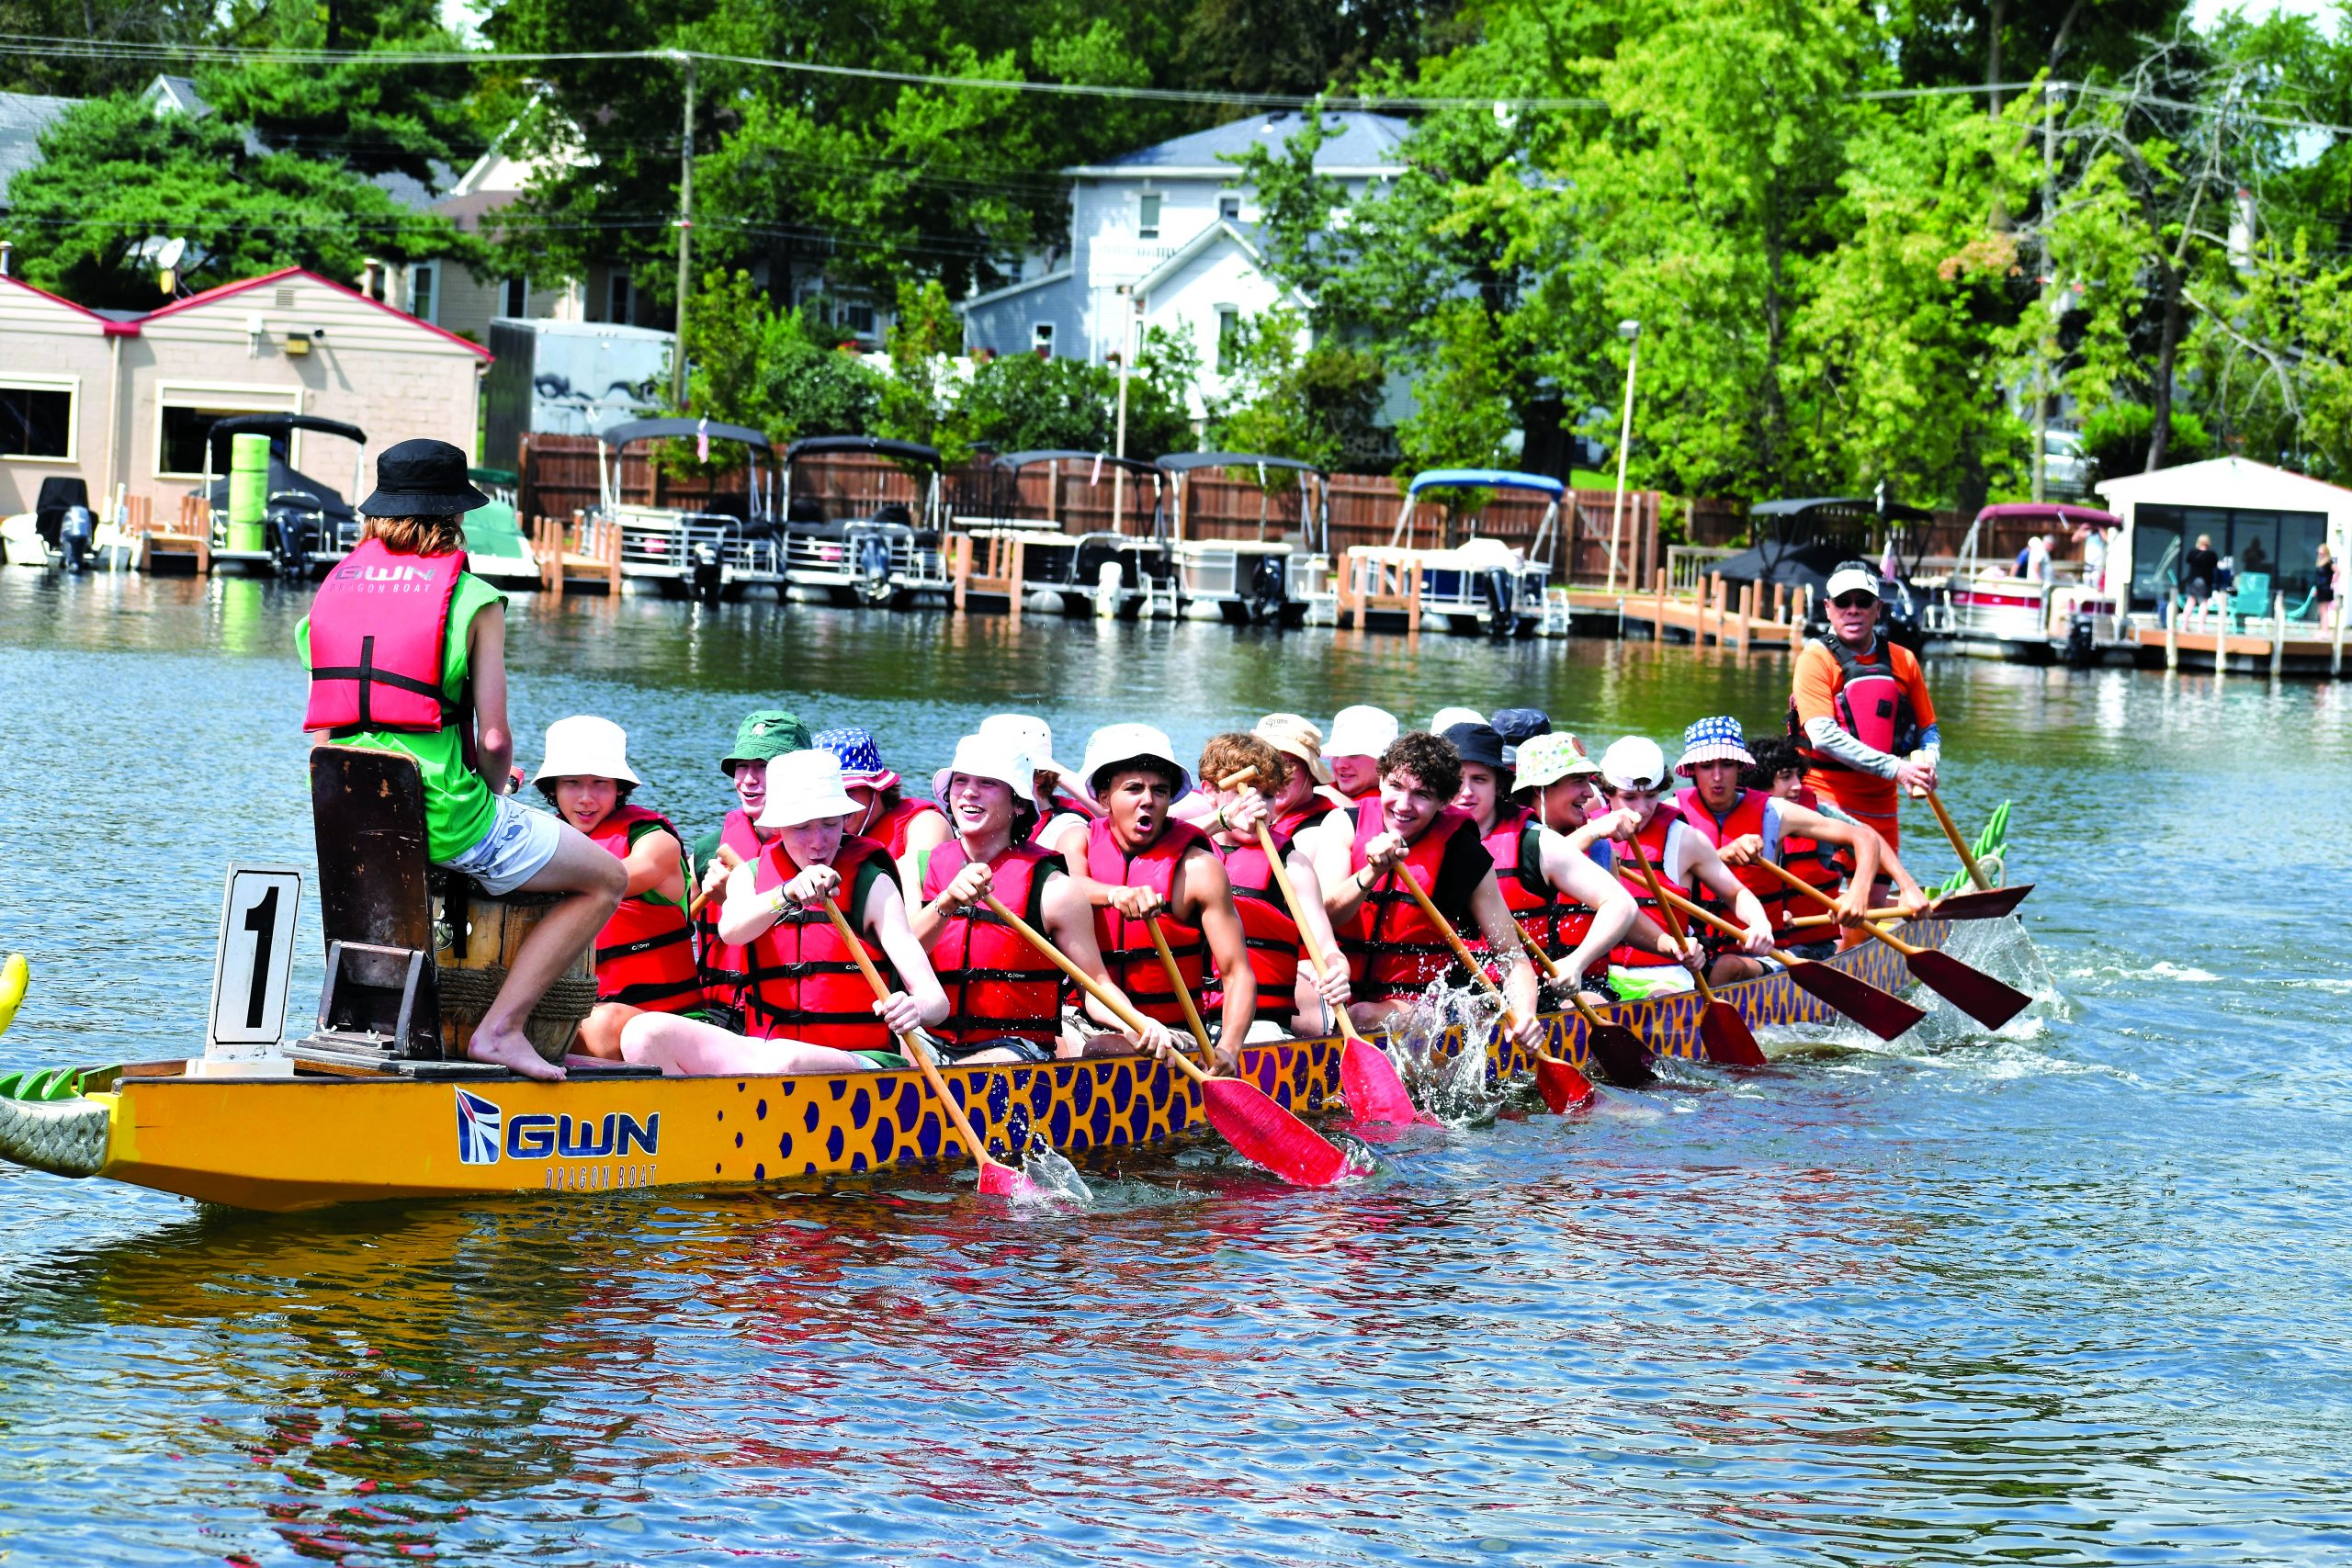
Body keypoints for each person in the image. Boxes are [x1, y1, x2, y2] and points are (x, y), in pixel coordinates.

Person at [299, 437, 622, 1081]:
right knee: (606, 878)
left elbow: (324, 730)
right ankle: (499, 1031)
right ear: (455, 516)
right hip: (446, 816)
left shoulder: (330, 595)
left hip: (350, 821)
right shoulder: (473, 599)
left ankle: (358, 1032)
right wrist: (494, 792)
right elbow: (496, 742)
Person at [620, 750, 948, 1076]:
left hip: (858, 1060)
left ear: (845, 820)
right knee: (643, 1034)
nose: (819, 842)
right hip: (766, 1051)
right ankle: (708, 1123)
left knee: (784, 1060)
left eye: (830, 825)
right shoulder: (749, 875)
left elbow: (937, 1002)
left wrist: (915, 1007)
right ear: (779, 826)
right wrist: (785, 894)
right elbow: (733, 930)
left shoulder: (872, 884)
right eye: (803, 828)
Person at [910, 733, 1172, 1064]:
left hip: (1015, 1048)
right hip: (933, 1038)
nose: (970, 792)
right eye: (961, 781)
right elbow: (905, 957)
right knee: (895, 1048)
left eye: (988, 783)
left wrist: (1139, 1024)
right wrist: (944, 904)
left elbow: (1096, 987)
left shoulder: (1056, 889)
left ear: (1019, 803)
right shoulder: (929, 865)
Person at [1307, 729, 1542, 1044]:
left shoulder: (1464, 853)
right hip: (1337, 986)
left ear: (1444, 801)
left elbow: (1511, 956)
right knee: (1305, 1013)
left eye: (1422, 794)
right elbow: (1327, 915)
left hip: (1417, 1006)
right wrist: (1373, 871)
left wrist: (1525, 1015)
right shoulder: (1342, 825)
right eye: (1395, 787)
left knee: (1362, 1015)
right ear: (1380, 781)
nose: (1403, 805)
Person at [1050, 725, 1258, 1067]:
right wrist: (1117, 894)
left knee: (1102, 1049)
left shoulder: (1198, 869)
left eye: (1159, 791)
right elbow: (1071, 884)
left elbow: (1237, 974)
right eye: (1133, 788)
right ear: (1104, 798)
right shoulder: (1077, 841)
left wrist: (1229, 1050)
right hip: (1082, 1019)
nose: (1148, 799)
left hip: (1171, 1034)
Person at [1670, 716, 1900, 979]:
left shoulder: (1773, 813)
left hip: (1762, 954)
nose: (1717, 776)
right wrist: (1719, 856)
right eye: (1707, 766)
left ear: (1741, 767)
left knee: (1727, 967)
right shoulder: (1671, 815)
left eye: (1727, 764)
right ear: (1693, 770)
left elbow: (1865, 838)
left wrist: (1858, 893)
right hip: (1692, 952)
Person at [533, 716, 702, 1057]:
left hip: (669, 1022)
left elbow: (615, 878)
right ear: (553, 788)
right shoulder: (541, 838)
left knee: (601, 1025)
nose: (585, 798)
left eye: (599, 783)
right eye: (572, 783)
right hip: (576, 1013)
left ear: (619, 788)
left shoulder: (655, 842)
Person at [1195, 732, 1352, 1038]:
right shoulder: (1184, 850)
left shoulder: (1292, 865)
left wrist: (1339, 973)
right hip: (1186, 1017)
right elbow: (1167, 841)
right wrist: (1224, 819)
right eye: (1242, 791)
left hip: (1259, 1024)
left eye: (1267, 794)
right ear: (1210, 792)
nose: (1257, 804)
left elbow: (1328, 951)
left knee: (1261, 1036)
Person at [1586, 736, 1775, 988]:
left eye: (1651, 796)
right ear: (1606, 792)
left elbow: (1737, 893)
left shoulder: (1684, 839)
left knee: (1657, 998)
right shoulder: (1587, 832)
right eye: (1629, 798)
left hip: (1667, 975)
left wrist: (1760, 923)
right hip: (1601, 975)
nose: (1642, 809)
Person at [1788, 560, 1940, 855]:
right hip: (1824, 800)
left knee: (1875, 896)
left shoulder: (1904, 660)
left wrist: (1926, 766)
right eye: (1843, 602)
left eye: (1863, 601)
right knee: (1830, 894)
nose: (1853, 609)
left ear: (1878, 607)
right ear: (1829, 608)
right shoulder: (1815, 659)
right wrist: (1897, 768)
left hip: (1882, 804)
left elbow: (1928, 731)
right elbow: (1822, 735)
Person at [1745, 735, 1929, 953]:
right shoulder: (1733, 816)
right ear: (1759, 782)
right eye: (1786, 777)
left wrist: (1906, 888)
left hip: (1808, 946)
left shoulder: (1817, 814)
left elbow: (1869, 836)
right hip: (1753, 938)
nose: (1796, 786)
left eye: (1798, 776)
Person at [687, 710, 812, 1026]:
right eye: (741, 766)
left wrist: (729, 903)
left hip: (794, 1015)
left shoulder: (822, 851)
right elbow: (677, 930)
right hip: (718, 1012)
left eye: (763, 767)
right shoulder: (707, 851)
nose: (748, 779)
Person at [1505, 732, 1642, 988]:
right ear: (1540, 789)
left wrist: (1673, 947)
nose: (1590, 794)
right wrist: (1592, 831)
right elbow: (1544, 860)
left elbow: (1624, 916)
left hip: (1580, 985)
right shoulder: (1504, 841)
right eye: (1578, 781)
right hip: (1513, 987)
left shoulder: (1600, 849)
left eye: (1588, 782)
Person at [814, 726, 950, 888]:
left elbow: (913, 893)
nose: (837, 805)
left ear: (877, 789)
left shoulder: (925, 824)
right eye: (827, 794)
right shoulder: (810, 836)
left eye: (848, 791)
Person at [978, 713, 1092, 847]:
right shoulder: (968, 816)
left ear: (1039, 778)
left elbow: (1106, 810)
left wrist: (1048, 766)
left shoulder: (1065, 828)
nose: (971, 791)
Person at [1254, 714, 1340, 839]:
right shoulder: (1239, 819)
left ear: (1311, 773)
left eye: (1286, 765)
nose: (1274, 775)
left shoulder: (1321, 831)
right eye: (1264, 763)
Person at [1324, 705, 1399, 806]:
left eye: (1353, 754)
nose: (1339, 765)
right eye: (1335, 755)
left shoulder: (1395, 811)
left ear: (1385, 761)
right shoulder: (1319, 788)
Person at [2183, 534, 2220, 603]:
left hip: (2193, 579)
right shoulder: (2211, 554)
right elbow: (2215, 565)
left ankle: (2186, 614)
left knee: (2191, 600)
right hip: (2206, 580)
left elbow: (2188, 561)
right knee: (2204, 601)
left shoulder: (2192, 552)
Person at [2317, 542, 2338, 630]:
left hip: (2326, 589)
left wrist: (2333, 581)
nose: (2320, 555)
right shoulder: (2320, 563)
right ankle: (2323, 629)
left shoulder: (2329, 562)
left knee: (2324, 610)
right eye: (2319, 553)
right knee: (2321, 611)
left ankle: (2325, 631)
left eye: (2322, 553)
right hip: (2321, 589)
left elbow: (2338, 571)